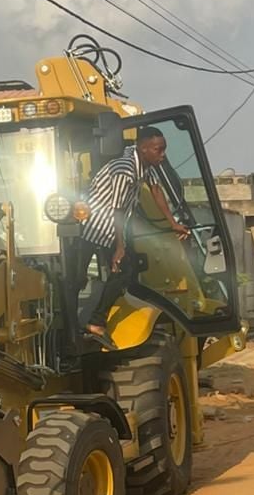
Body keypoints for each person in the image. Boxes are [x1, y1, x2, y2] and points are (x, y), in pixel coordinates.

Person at [75, 126, 190, 348]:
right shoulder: (124, 170)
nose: (163, 154)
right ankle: (88, 323)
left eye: (164, 149)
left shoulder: (144, 165)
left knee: (126, 270)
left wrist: (173, 223)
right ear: (143, 148)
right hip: (93, 228)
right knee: (80, 278)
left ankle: (95, 321)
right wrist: (120, 246)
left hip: (112, 227)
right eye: (159, 149)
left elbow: (156, 191)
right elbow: (117, 210)